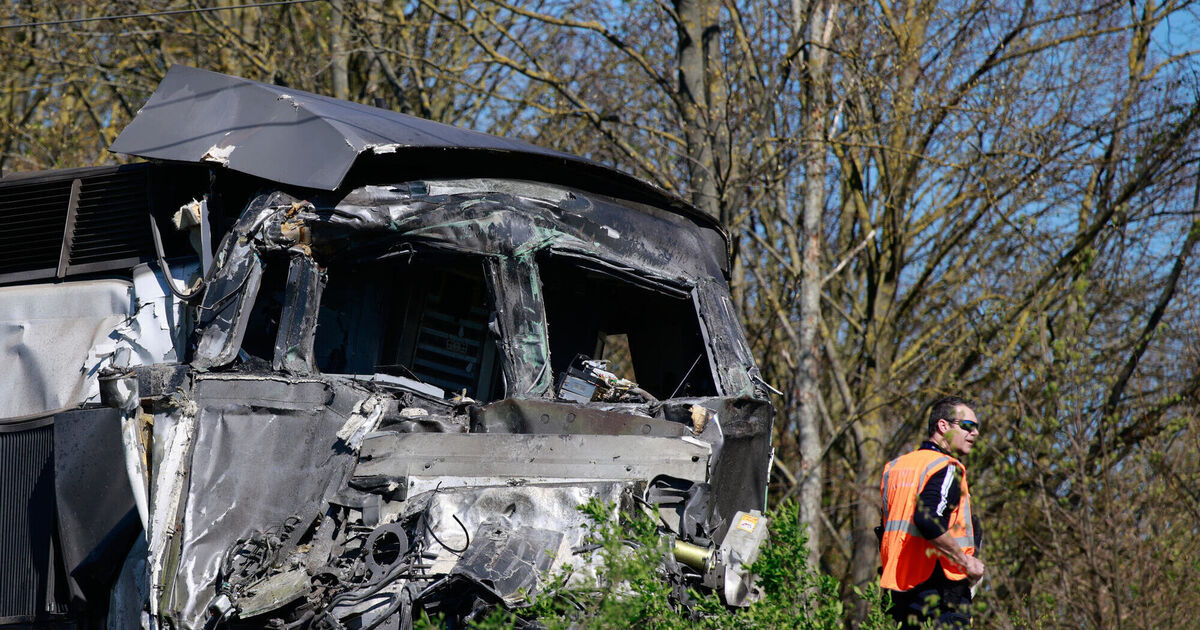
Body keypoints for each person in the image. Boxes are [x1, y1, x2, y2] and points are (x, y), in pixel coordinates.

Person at [879, 396, 985, 628]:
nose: (975, 433)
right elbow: (927, 520)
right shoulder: (947, 467)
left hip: (898, 590)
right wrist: (965, 562)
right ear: (943, 426)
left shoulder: (894, 468)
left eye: (977, 427)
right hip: (939, 592)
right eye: (968, 426)